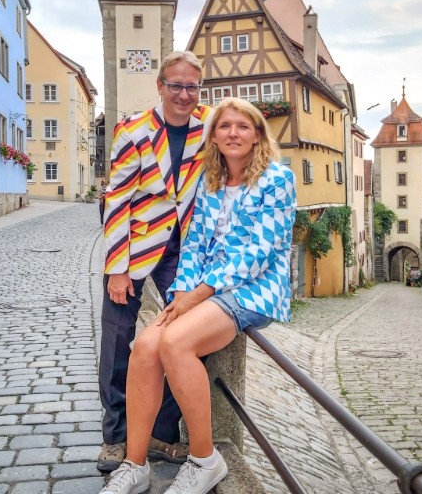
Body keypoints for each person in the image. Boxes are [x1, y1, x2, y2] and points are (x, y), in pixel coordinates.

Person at [99, 98, 296, 494]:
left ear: (257, 134)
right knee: (144, 346)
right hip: (206, 290)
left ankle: (205, 460)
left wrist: (198, 294)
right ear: (215, 136)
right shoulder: (212, 182)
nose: (233, 133)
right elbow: (193, 248)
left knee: (174, 341)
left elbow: (258, 252)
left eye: (243, 126)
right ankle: (134, 464)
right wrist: (183, 291)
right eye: (225, 126)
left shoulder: (277, 179)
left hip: (254, 289)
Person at [99, 51, 212, 472]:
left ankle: (163, 433)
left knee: (180, 337)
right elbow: (117, 200)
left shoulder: (209, 125)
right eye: (176, 85)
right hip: (134, 245)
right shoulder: (134, 130)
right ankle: (116, 436)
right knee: (117, 341)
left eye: (192, 86)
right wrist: (116, 266)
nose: (184, 94)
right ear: (160, 86)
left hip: (184, 251)